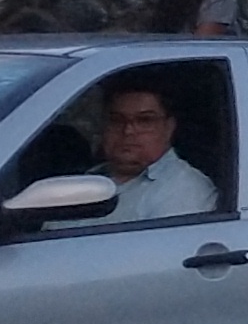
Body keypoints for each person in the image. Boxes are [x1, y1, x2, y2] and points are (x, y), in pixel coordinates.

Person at [94, 81, 223, 223]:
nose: (128, 131)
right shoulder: (90, 177)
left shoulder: (184, 188)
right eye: (117, 120)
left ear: (169, 128)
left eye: (144, 120)